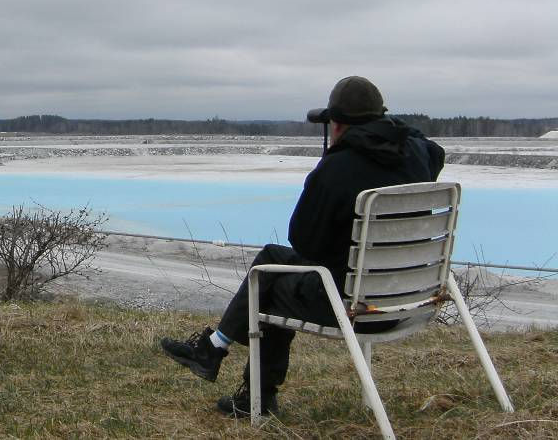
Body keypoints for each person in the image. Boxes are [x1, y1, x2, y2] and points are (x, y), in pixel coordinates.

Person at [160, 76, 445, 417]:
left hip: (357, 307)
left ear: (336, 124)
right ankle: (214, 348)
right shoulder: (417, 153)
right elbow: (433, 149)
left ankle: (253, 394)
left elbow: (305, 242)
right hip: (411, 295)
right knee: (270, 258)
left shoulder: (336, 169)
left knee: (269, 282)